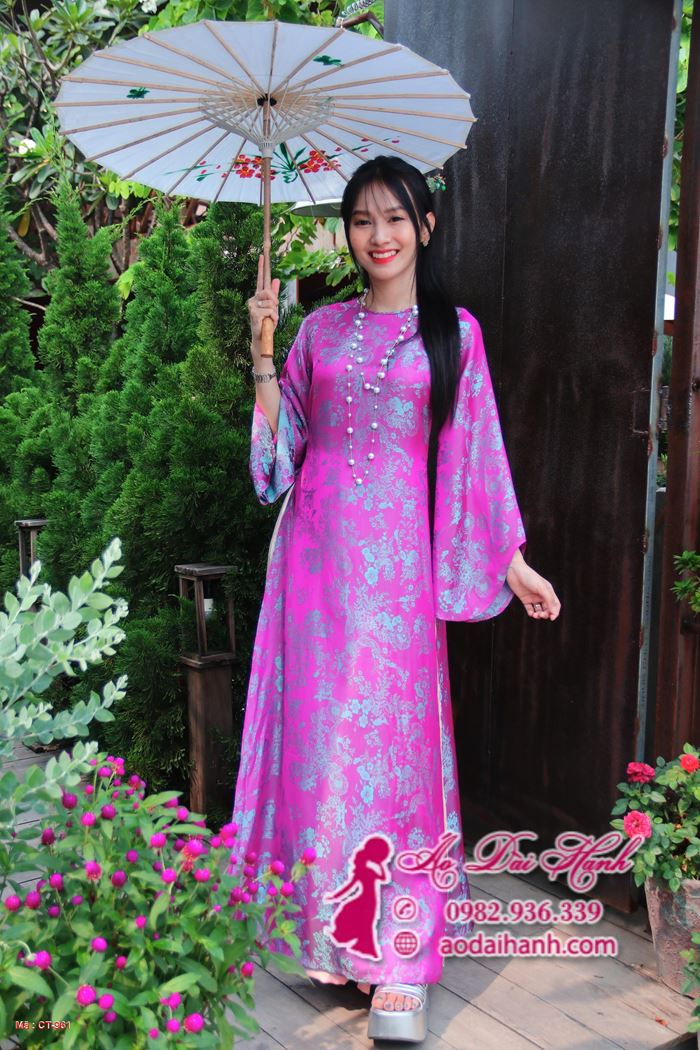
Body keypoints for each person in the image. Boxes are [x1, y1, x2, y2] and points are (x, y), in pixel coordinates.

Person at [232, 154, 561, 1044]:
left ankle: (402, 964)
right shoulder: (319, 330)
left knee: (392, 757)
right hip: (312, 572)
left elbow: (475, 457)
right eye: (361, 220)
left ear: (426, 227)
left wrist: (512, 563)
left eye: (394, 218)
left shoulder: (454, 335)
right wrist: (262, 352)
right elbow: (276, 465)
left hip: (398, 581)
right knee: (323, 754)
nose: (377, 236)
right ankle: (336, 937)